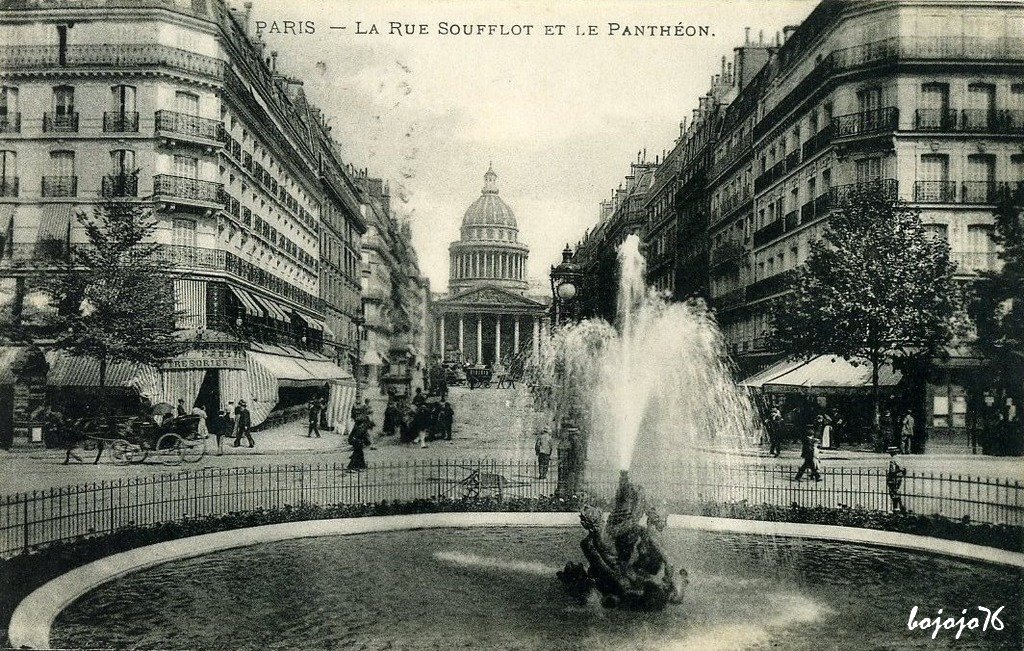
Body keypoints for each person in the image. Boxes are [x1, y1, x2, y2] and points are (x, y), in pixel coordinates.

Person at [885, 446, 908, 513]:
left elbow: (892, 470)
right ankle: (900, 507)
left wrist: (889, 477)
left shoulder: (893, 460)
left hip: (894, 477)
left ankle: (896, 508)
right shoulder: (899, 459)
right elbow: (904, 469)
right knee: (896, 491)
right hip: (899, 477)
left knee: (893, 492)